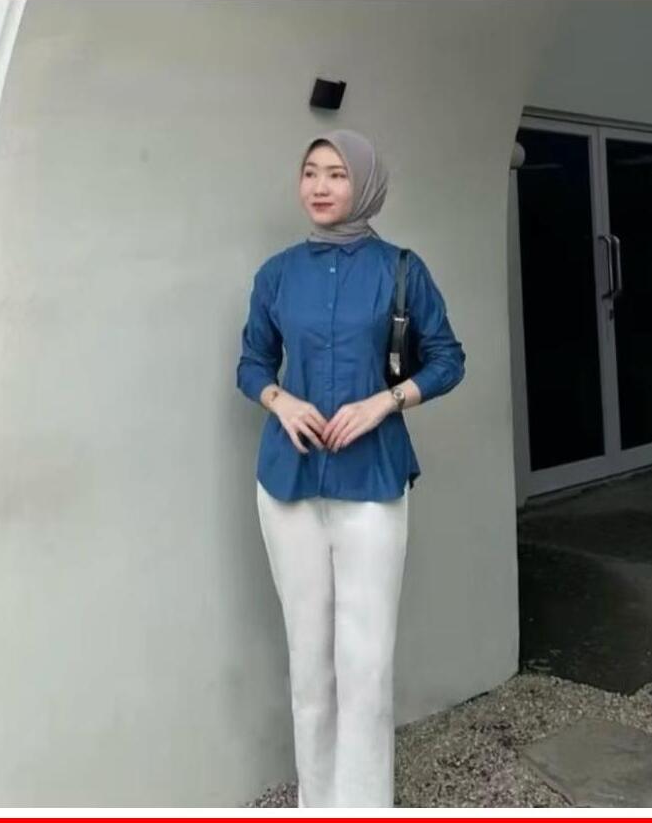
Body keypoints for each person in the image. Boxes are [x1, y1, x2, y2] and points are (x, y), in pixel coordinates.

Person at [236, 128, 466, 808]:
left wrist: (383, 403)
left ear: (364, 184)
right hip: (288, 483)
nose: (319, 186)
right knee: (309, 665)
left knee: (365, 666)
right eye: (310, 172)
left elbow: (448, 359)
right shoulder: (276, 274)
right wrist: (280, 401)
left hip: (373, 479)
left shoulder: (401, 270)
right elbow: (251, 363)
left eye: (336, 174)